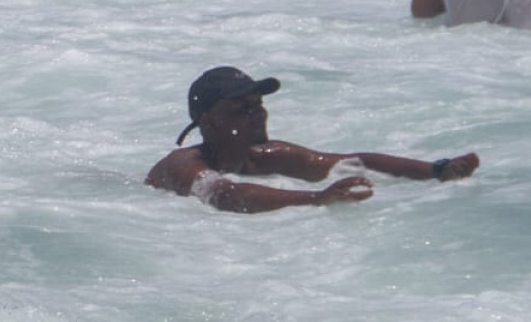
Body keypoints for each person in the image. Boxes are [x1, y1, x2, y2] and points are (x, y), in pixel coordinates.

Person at [147, 67, 479, 213]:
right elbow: (225, 196)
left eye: (258, 105)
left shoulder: (265, 157)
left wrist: (436, 171)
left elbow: (352, 162)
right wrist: (315, 199)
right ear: (207, 121)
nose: (258, 114)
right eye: (242, 109)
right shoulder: (184, 166)